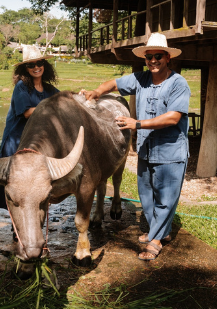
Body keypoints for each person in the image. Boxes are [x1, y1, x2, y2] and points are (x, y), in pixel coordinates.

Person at [80, 33, 190, 261]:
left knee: (166, 198)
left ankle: (156, 240)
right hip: (147, 149)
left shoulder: (178, 83)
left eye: (157, 56)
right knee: (146, 195)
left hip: (170, 151)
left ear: (168, 57)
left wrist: (136, 124)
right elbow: (115, 83)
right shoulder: (141, 79)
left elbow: (173, 117)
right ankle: (160, 231)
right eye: (148, 57)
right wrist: (97, 92)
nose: (152, 61)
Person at [0, 45, 60, 213]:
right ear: (25, 68)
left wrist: (80, 95)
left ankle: (32, 216)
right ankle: (15, 221)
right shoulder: (21, 87)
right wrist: (49, 106)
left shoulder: (48, 89)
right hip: (16, 140)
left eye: (39, 63)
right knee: (15, 182)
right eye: (31, 65)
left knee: (32, 181)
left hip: (34, 142)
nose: (36, 67)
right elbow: (27, 113)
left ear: (45, 64)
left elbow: (63, 99)